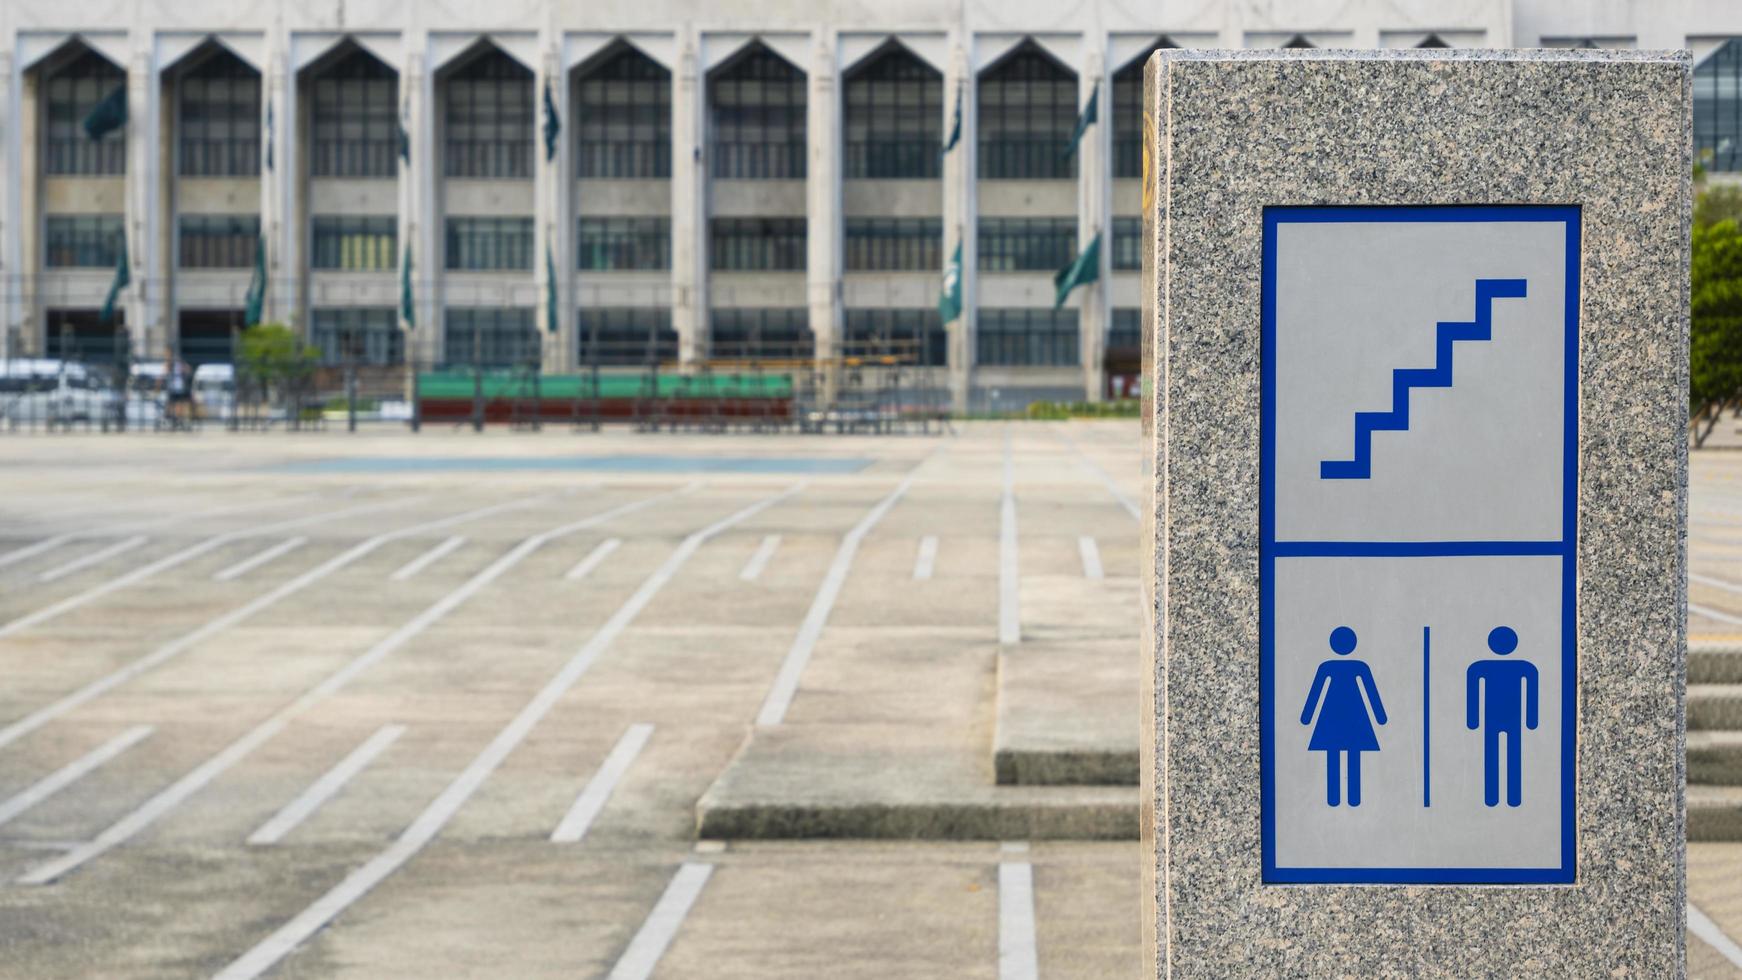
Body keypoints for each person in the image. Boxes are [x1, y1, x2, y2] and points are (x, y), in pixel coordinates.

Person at [1300, 626, 1387, 807]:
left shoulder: (1331, 667)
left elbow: (1317, 692)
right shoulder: (1356, 667)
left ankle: (1336, 797)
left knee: (1336, 754)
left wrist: (1307, 717)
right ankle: (1351, 797)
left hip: (1333, 714)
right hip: (1352, 713)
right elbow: (1370, 692)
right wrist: (1380, 716)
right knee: (1350, 754)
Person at [1466, 626, 1538, 808]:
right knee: (1495, 754)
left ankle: (1511, 796)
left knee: (1510, 754)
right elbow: (1473, 692)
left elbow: (1532, 692)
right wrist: (1472, 719)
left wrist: (1532, 719)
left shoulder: (1524, 667)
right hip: (1495, 719)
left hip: (1509, 718)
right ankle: (1493, 796)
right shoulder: (1481, 667)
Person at [164, 348, 193, 429]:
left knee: (177, 404)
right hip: (174, 387)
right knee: (173, 404)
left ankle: (176, 419)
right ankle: (174, 419)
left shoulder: (175, 363)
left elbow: (188, 369)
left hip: (177, 387)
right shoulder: (172, 363)